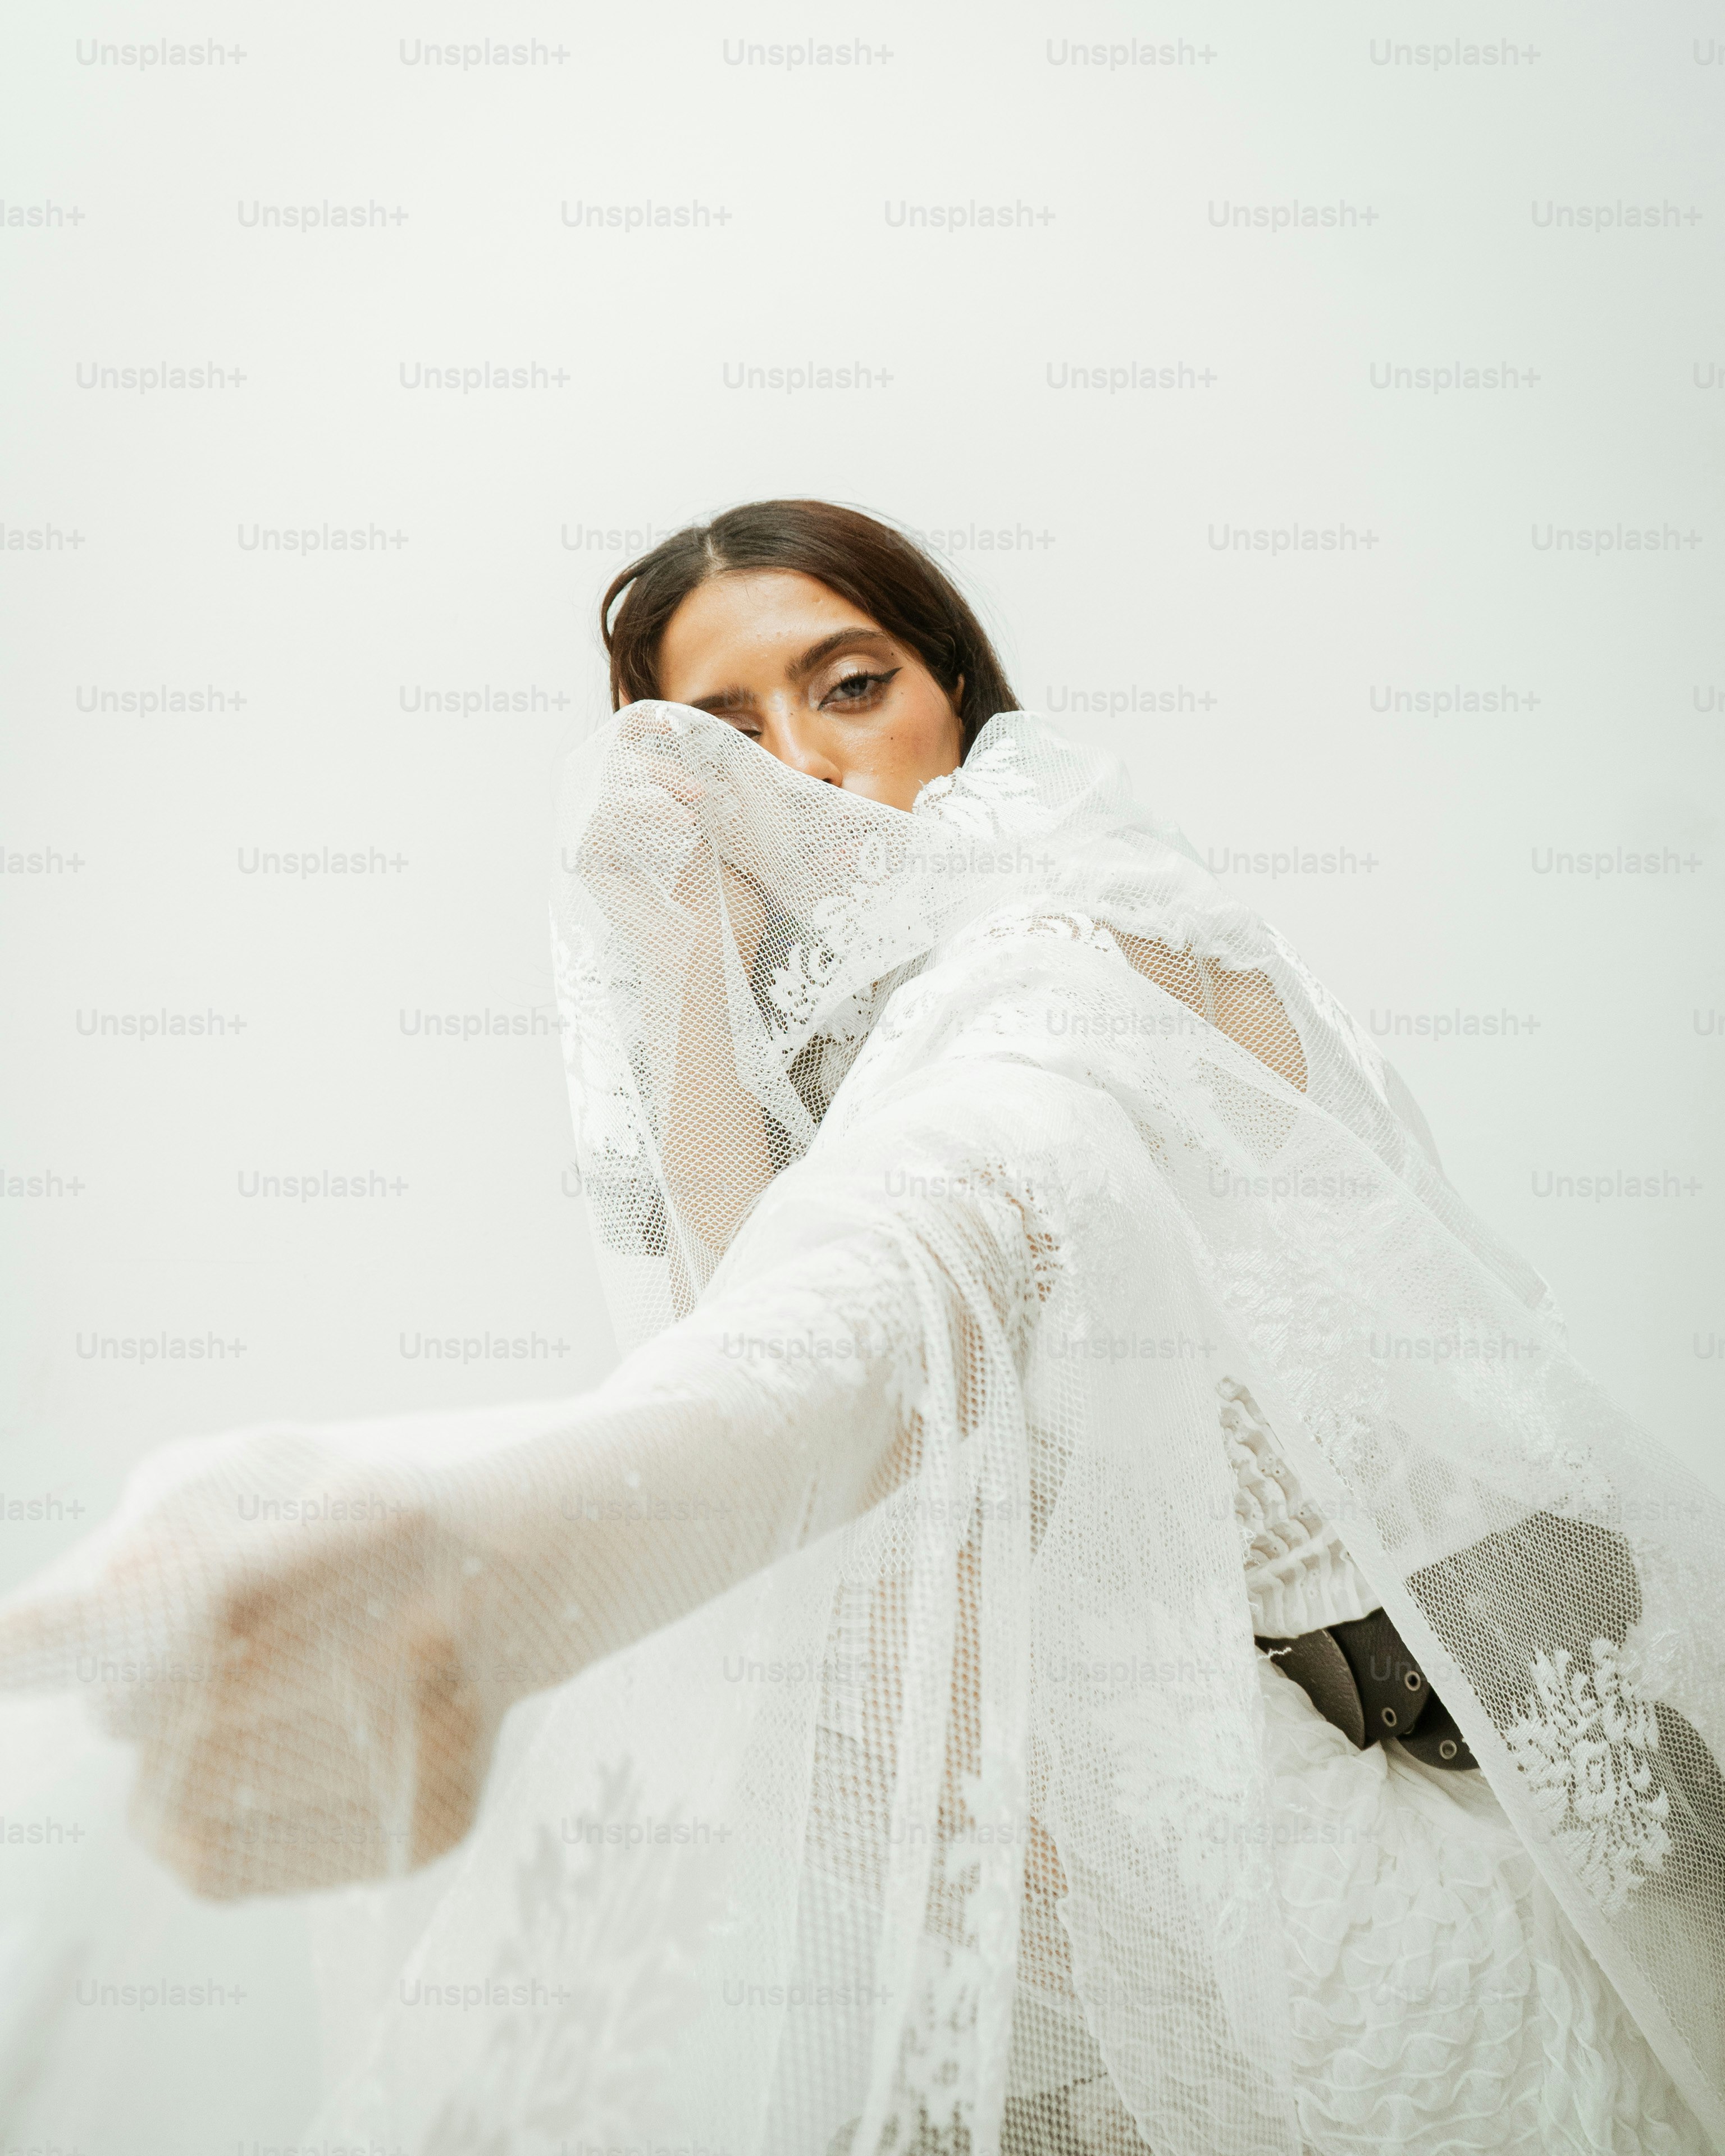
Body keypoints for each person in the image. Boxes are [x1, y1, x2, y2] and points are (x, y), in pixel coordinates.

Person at [0, 501, 1720, 2155]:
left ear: (954, 693)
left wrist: (507, 1557)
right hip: (1228, 1850)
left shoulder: (1077, 950)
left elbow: (877, 1305)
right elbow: (758, 1309)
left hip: (1481, 1813)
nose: (802, 768)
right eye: (722, 736)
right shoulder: (888, 1063)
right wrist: (675, 932)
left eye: (849, 685)